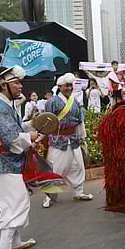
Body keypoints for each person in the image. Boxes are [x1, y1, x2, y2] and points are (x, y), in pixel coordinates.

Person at [0, 66, 39, 249]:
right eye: (16, 82)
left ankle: (15, 243)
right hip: (4, 163)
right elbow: (10, 138)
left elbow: (14, 130)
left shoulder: (4, 105)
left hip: (9, 163)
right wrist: (30, 136)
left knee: (17, 202)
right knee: (14, 206)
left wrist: (29, 125)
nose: (20, 86)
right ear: (3, 85)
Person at [42, 73, 93, 208]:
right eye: (66, 85)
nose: (69, 88)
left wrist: (83, 138)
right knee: (56, 168)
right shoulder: (52, 102)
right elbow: (47, 121)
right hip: (58, 140)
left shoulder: (75, 101)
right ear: (60, 86)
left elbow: (80, 120)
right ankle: (49, 196)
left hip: (74, 139)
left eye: (71, 85)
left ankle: (79, 191)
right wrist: (40, 138)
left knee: (77, 166)